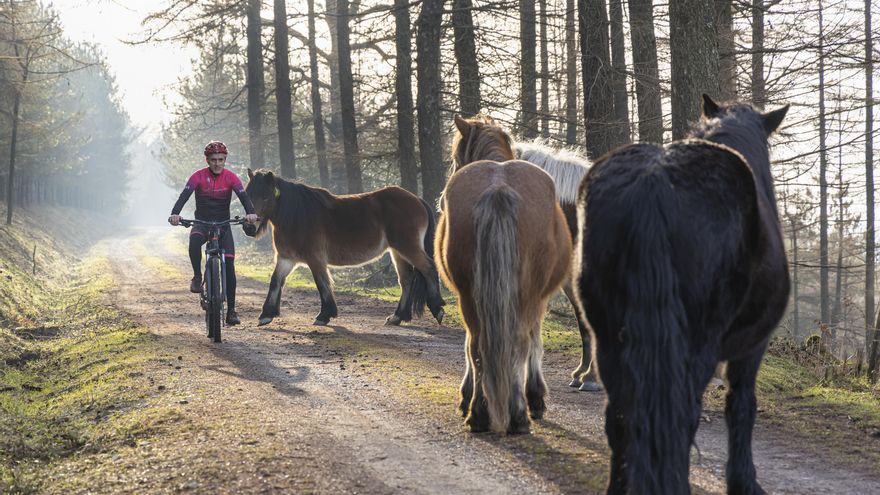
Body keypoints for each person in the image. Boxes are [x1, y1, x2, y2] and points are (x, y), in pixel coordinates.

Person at [168, 141, 258, 326]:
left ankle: (231, 311)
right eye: (213, 160)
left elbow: (244, 197)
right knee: (194, 243)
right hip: (202, 224)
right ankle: (197, 276)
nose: (217, 163)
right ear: (207, 160)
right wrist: (175, 213)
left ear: (225, 159)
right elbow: (184, 196)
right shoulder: (197, 177)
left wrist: (251, 213)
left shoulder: (231, 178)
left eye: (221, 159)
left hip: (223, 226)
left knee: (230, 265)